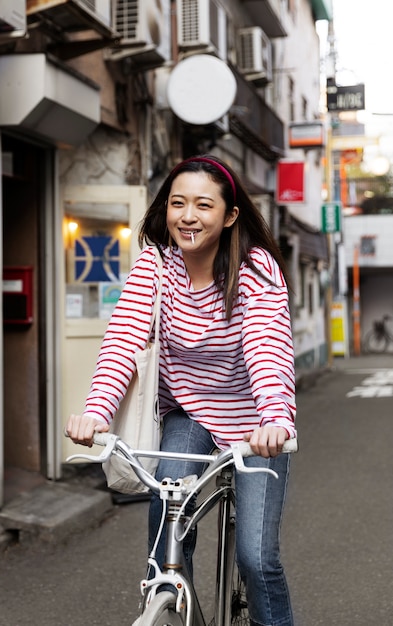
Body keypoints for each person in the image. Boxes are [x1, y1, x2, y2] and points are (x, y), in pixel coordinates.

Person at [66, 154, 297, 626]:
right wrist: (96, 411)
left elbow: (266, 348)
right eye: (178, 203)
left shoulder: (256, 270)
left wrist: (275, 418)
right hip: (188, 413)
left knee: (256, 558)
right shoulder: (155, 265)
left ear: (229, 215)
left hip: (256, 421)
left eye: (203, 205)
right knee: (165, 541)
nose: (188, 216)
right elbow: (123, 339)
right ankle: (179, 606)